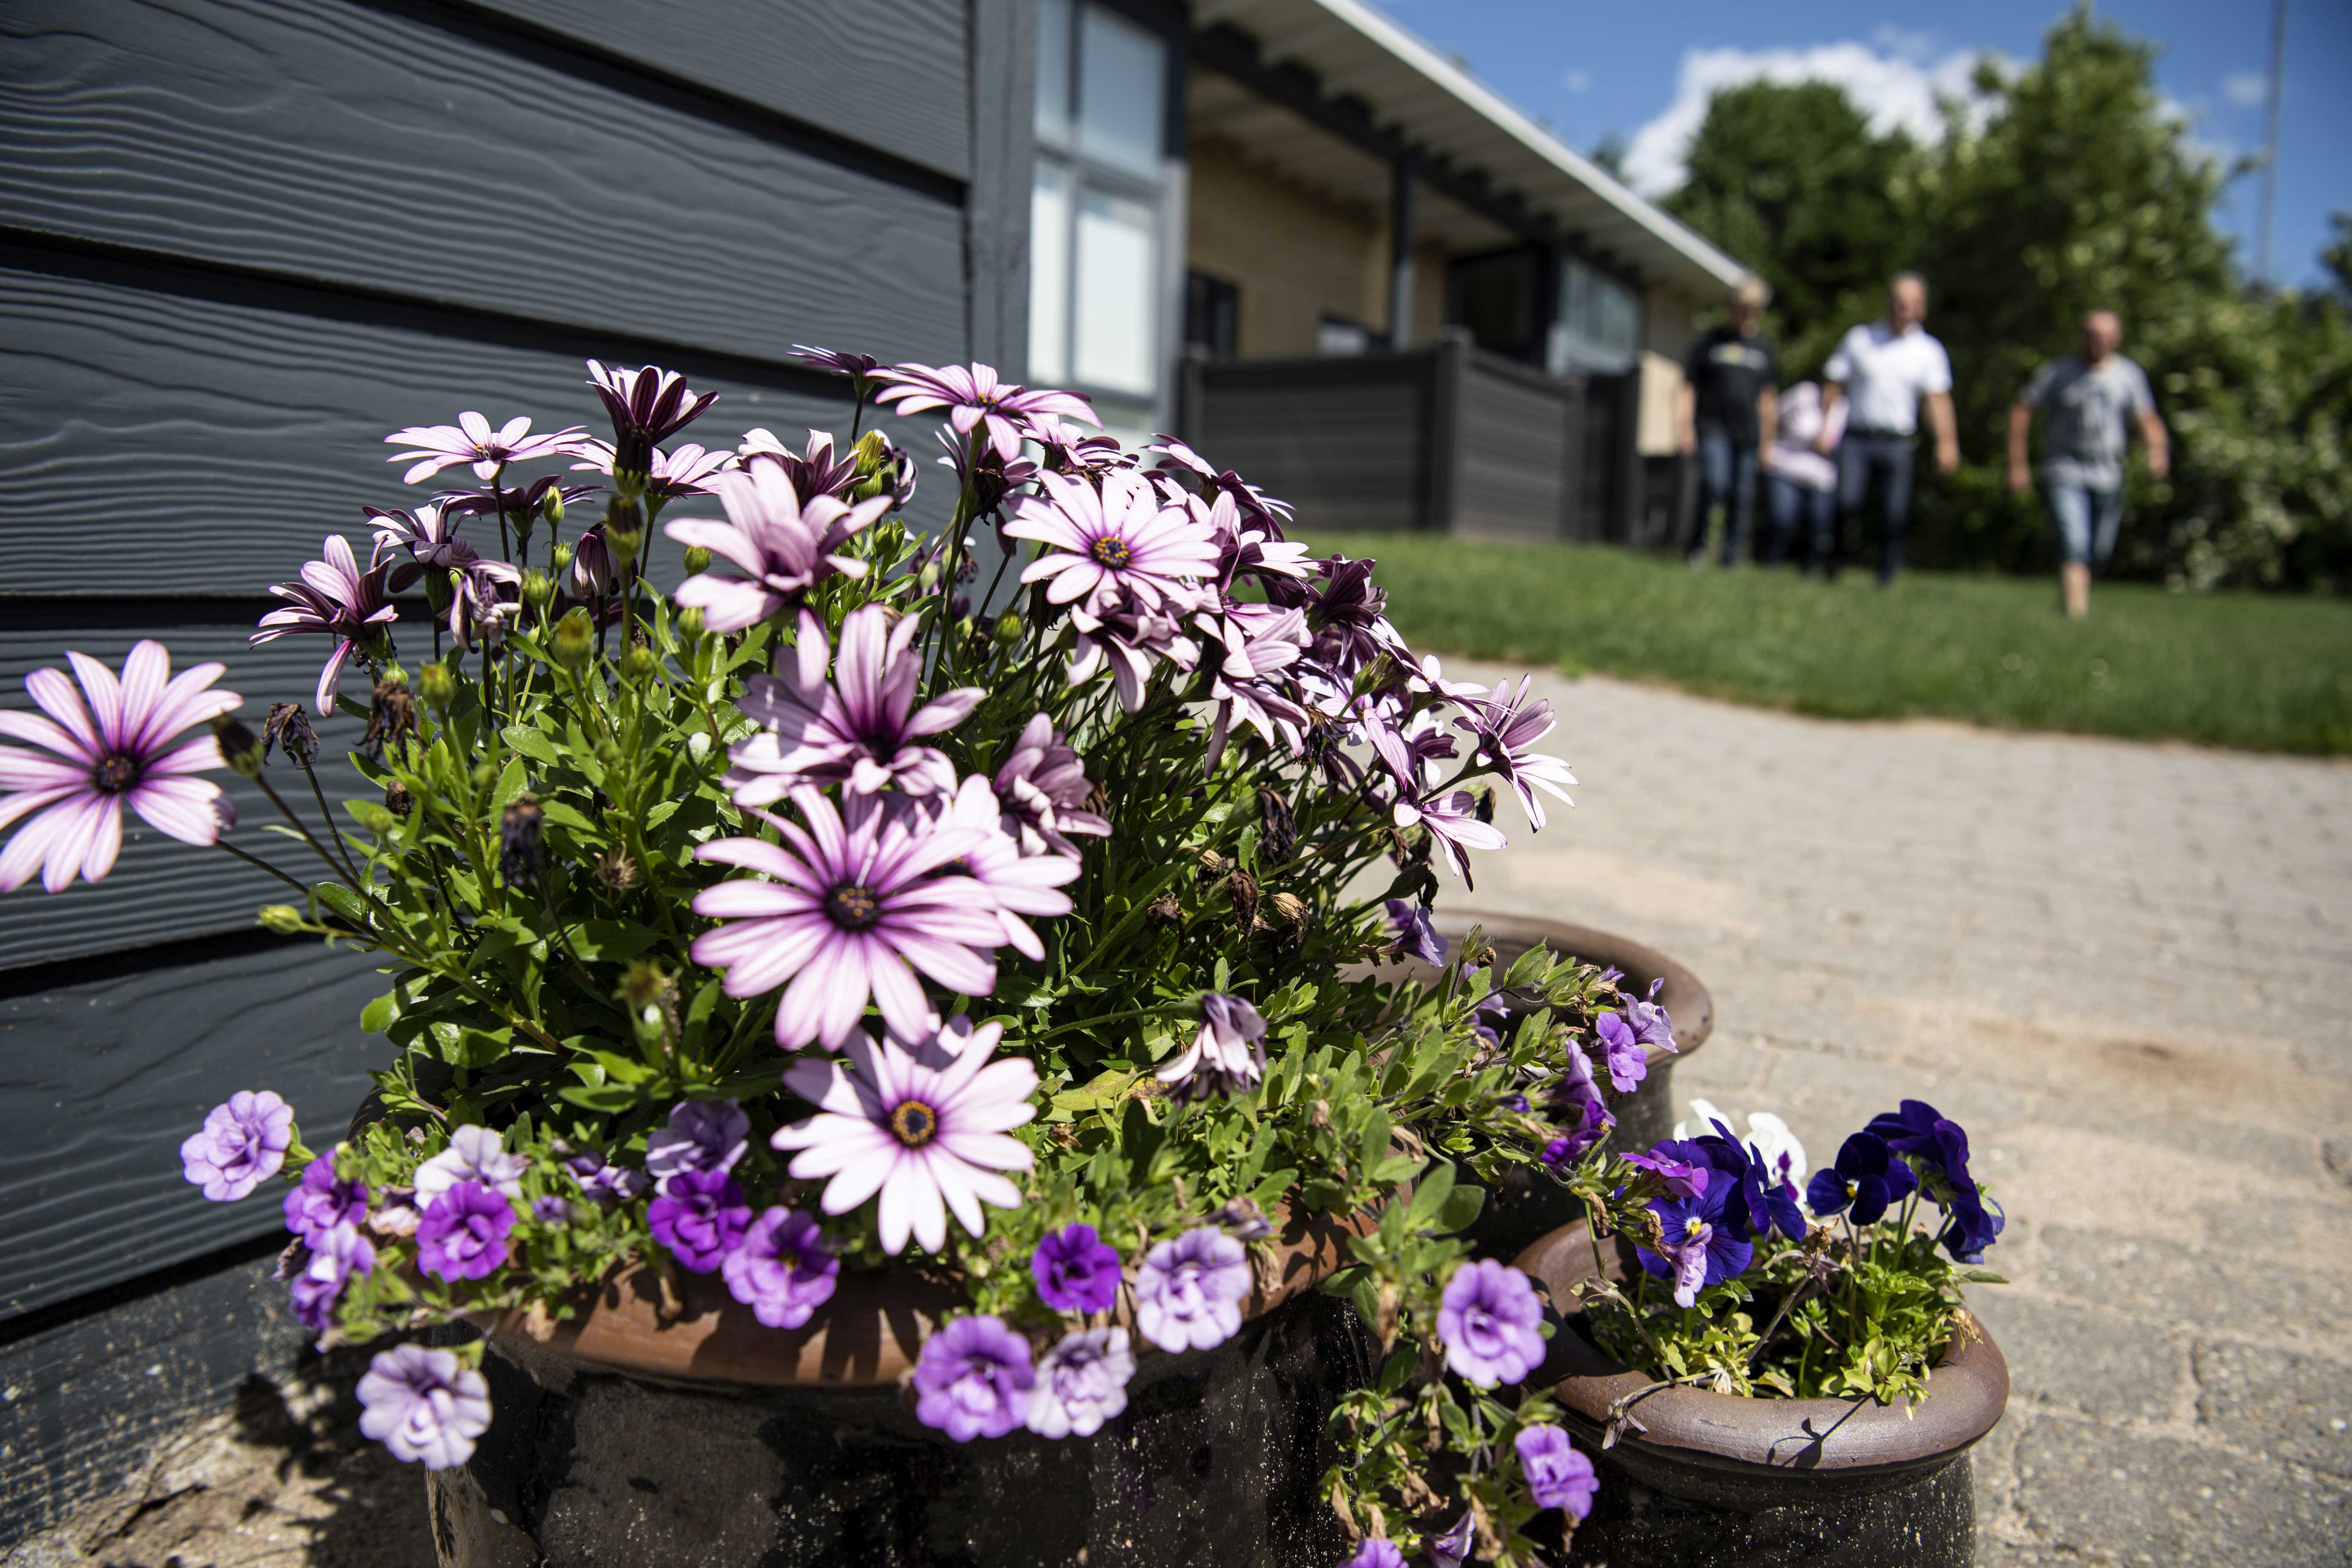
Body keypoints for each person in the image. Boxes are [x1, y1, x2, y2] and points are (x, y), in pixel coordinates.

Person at [2007, 310, 2169, 618]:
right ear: (2082, 336)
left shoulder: (2128, 375)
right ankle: (2075, 614)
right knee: (2074, 540)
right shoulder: (2058, 372)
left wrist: (2157, 450)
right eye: (2093, 334)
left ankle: (2071, 599)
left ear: (2116, 339)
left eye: (2106, 335)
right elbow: (2022, 410)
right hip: (2064, 469)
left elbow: (2146, 417)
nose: (2099, 341)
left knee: (2099, 551)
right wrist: (2018, 464)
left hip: (2108, 473)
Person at [1818, 273, 1959, 584]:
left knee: (1894, 513)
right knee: (1846, 503)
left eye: (1910, 303)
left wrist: (1947, 442)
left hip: (1898, 442)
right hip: (1856, 438)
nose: (1903, 308)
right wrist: (1823, 427)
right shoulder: (1860, 339)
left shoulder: (1929, 351)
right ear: (1888, 302)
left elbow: (1937, 401)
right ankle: (1835, 565)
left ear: (1921, 307)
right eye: (1898, 301)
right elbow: (1833, 385)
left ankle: (1886, 575)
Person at [1677, 276, 1779, 566]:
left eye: (1753, 309)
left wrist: (1768, 442)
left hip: (1748, 433)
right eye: (1741, 307)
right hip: (1712, 427)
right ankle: (1697, 547)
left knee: (1741, 497)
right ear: (1730, 306)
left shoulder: (1763, 347)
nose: (1746, 313)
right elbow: (1687, 387)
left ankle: (1731, 558)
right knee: (1714, 483)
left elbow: (1768, 398)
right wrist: (1684, 427)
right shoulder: (1708, 342)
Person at [1761, 381, 1844, 571]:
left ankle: (1810, 569)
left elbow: (1823, 445)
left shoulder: (1842, 409)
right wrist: (1766, 446)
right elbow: (1772, 414)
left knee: (1819, 522)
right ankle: (1772, 564)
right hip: (1784, 465)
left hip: (1820, 476)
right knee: (1782, 517)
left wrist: (1827, 413)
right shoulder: (1803, 393)